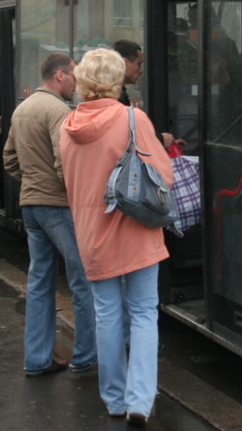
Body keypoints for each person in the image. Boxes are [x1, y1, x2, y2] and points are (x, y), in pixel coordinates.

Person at [60, 48, 173, 427]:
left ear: (82, 81)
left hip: (92, 234)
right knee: (142, 313)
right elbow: (163, 175)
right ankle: (140, 401)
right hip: (136, 230)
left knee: (106, 314)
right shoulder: (132, 118)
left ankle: (113, 398)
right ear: (116, 80)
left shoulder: (68, 125)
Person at [4, 53, 96, 377]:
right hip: (58, 206)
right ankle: (84, 357)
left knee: (39, 281)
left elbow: (9, 159)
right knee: (82, 279)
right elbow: (65, 163)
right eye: (74, 75)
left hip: (31, 205)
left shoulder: (22, 109)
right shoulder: (59, 110)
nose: (76, 83)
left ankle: (36, 359)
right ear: (59, 75)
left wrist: (32, 182)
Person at [112, 39, 179, 149]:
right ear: (124, 63)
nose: (141, 70)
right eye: (139, 64)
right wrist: (160, 139)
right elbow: (128, 136)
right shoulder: (115, 98)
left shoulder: (115, 94)